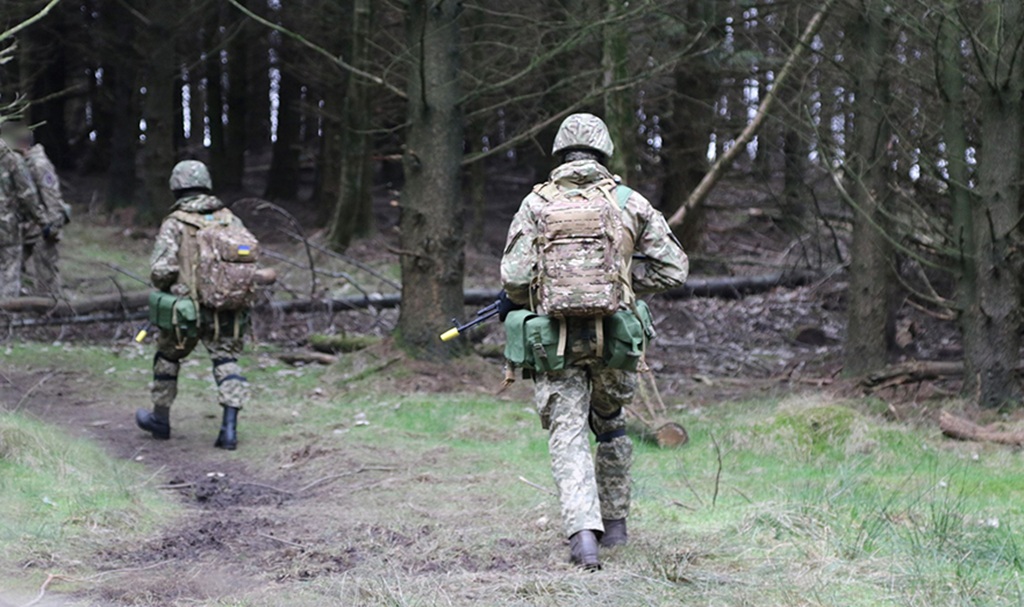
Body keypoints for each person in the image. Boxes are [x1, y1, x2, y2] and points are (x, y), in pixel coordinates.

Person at [500, 113, 688, 569]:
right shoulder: (629, 201)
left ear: (561, 153)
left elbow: (513, 277)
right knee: (612, 422)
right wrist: (622, 286)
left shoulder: (536, 203)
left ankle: (584, 536)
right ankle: (617, 526)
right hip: (615, 339)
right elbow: (674, 268)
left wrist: (545, 293)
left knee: (567, 431)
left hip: (555, 341)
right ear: (604, 152)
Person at [136, 160, 255, 450]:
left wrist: (168, 288)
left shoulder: (176, 222)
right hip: (227, 309)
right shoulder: (230, 218)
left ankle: (160, 420)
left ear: (176, 186)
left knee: (167, 358)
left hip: (185, 312)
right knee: (225, 360)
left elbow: (161, 270)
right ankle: (229, 430)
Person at [1, 121, 71, 296]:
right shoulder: (21, 162)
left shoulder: (38, 164)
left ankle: (51, 307)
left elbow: (51, 197)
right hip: (29, 226)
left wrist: (51, 226)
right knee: (15, 266)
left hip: (43, 226)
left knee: (46, 271)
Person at [0, 127, 45, 298]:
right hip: (6, 225)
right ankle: (8, 316)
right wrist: (41, 219)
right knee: (9, 268)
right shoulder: (11, 158)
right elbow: (27, 194)